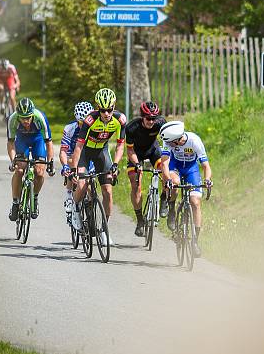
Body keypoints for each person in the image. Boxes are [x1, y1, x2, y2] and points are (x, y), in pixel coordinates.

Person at [68, 88, 127, 246]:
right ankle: (75, 209)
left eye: (109, 109)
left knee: (107, 191)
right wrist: (73, 170)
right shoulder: (90, 120)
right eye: (102, 110)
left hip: (102, 152)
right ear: (97, 108)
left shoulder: (120, 119)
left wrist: (115, 164)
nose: (106, 113)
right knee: (82, 184)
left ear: (114, 107)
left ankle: (104, 230)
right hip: (85, 153)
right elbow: (79, 147)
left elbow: (121, 146)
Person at [160, 120, 212, 258]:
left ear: (176, 140)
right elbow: (164, 164)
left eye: (170, 143)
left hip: (191, 169)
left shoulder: (195, 141)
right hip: (175, 166)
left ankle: (195, 241)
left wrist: (207, 180)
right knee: (175, 183)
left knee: (195, 202)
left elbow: (206, 166)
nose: (168, 144)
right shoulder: (168, 140)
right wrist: (168, 180)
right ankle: (171, 209)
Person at [125, 101, 171, 237]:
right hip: (136, 154)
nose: (151, 121)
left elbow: (168, 141)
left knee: (165, 172)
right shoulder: (132, 127)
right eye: (148, 118)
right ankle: (140, 221)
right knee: (135, 184)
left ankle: (163, 198)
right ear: (142, 117)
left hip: (153, 150)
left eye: (154, 118)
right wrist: (137, 165)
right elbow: (129, 150)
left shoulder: (161, 123)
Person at [6, 97, 54, 221]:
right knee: (19, 170)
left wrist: (50, 163)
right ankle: (16, 202)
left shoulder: (40, 118)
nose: (26, 120)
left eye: (28, 117)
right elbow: (10, 143)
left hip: (37, 139)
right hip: (22, 140)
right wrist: (13, 160)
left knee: (39, 172)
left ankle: (35, 197)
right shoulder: (13, 119)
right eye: (23, 117)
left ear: (32, 114)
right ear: (18, 115)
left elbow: (48, 142)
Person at [59, 101, 94, 221]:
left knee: (89, 184)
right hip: (73, 154)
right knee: (70, 164)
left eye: (85, 122)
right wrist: (65, 166)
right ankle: (69, 196)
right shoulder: (70, 128)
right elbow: (63, 151)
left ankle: (90, 207)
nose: (83, 125)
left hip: (88, 155)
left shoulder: (95, 127)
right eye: (80, 122)